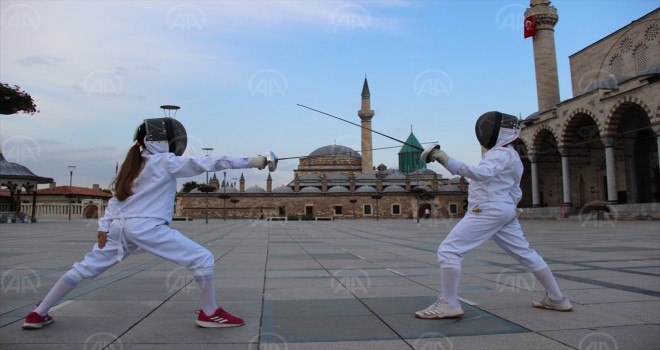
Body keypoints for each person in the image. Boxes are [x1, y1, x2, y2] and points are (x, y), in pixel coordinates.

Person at [23, 117, 275, 329]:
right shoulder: (163, 162)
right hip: (145, 227)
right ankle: (209, 313)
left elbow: (116, 199)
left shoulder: (133, 165)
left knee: (84, 268)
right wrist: (255, 161)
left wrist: (103, 227)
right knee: (202, 258)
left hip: (119, 228)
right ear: (163, 140)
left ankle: (39, 313)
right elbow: (206, 163)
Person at [415, 111, 572, 319]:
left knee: (449, 250)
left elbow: (480, 174)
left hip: (488, 209)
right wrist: (511, 209)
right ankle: (557, 298)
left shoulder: (499, 154)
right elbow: (515, 190)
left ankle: (449, 304)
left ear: (501, 132)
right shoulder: (512, 155)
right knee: (525, 253)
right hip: (504, 210)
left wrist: (445, 159)